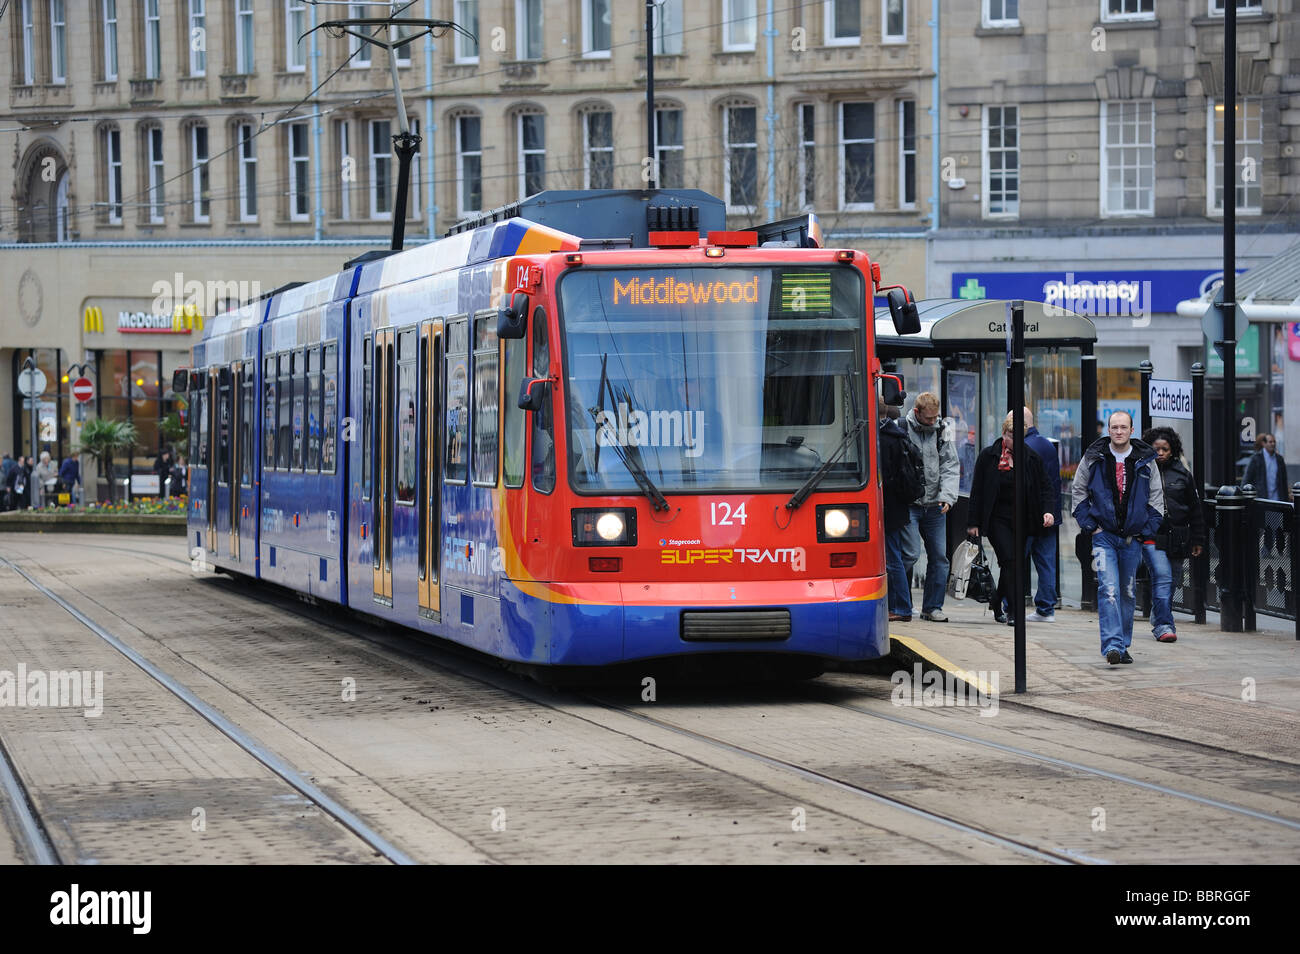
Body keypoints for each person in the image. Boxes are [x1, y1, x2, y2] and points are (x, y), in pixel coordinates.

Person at [1071, 411, 1164, 666]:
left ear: (1131, 430)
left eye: (1123, 427)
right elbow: (1078, 491)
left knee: (1127, 591)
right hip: (1104, 536)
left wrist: (1146, 530)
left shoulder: (1145, 460)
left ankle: (1122, 645)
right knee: (1108, 589)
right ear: (1109, 430)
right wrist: (1090, 526)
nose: (1119, 431)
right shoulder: (1094, 457)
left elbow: (1156, 497)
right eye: (1114, 427)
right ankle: (1112, 644)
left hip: (1132, 539)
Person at [966, 414, 1055, 625]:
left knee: (1013, 564)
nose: (1013, 441)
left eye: (1017, 437)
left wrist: (1048, 511)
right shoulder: (989, 456)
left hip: (1024, 519)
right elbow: (977, 490)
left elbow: (1046, 487)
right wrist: (973, 523)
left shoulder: (1031, 458)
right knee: (1011, 560)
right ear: (1003, 433)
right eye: (1009, 435)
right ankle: (1015, 611)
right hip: (997, 519)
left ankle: (997, 600)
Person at [1139, 426, 1205, 644]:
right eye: (1156, 449)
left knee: (1172, 580)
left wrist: (1197, 539)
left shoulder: (1182, 474)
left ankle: (1159, 614)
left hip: (1178, 537)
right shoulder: (1142, 472)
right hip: (1151, 535)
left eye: (1165, 449)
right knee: (1163, 577)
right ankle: (1164, 625)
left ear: (1172, 450)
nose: (1160, 453)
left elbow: (1195, 509)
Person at [901, 392, 960, 622]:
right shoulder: (902, 428)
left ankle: (932, 607)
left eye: (936, 417)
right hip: (910, 504)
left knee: (939, 557)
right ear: (917, 413)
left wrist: (947, 496)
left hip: (935, 504)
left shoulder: (943, 428)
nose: (933, 421)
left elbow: (950, 464)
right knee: (909, 554)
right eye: (928, 418)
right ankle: (902, 603)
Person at [1023, 408, 1062, 622]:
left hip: (1030, 515)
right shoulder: (1047, 444)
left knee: (1017, 560)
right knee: (1046, 563)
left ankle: (1011, 605)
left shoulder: (1025, 447)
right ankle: (1046, 609)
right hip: (1050, 513)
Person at [878, 405, 915, 622]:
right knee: (894, 557)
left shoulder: (882, 438)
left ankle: (902, 607)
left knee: (893, 559)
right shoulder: (897, 435)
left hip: (888, 507)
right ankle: (898, 606)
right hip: (898, 506)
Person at [1244, 433, 1290, 501]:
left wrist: (1286, 499)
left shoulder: (1279, 459)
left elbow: (1284, 481)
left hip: (1277, 499)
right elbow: (1247, 478)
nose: (1273, 444)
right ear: (1264, 443)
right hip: (1262, 498)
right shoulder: (1256, 459)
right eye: (1270, 442)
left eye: (1274, 442)